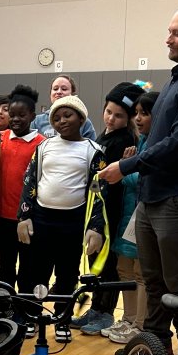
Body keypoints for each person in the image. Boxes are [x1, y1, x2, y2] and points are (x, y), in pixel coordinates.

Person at [98, 4, 178, 355]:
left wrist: (126, 166)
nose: (168, 39)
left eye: (176, 33)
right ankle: (154, 346)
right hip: (154, 197)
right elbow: (158, 140)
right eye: (169, 31)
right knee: (154, 282)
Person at [17, 95, 107, 343]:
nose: (61, 121)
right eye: (56, 118)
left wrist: (95, 226)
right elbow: (30, 182)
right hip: (42, 219)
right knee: (38, 272)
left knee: (67, 273)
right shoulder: (44, 147)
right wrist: (24, 216)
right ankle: (33, 316)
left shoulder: (93, 151)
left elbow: (98, 192)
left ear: (81, 118)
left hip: (73, 221)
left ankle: (62, 319)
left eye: (67, 115)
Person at [76, 81, 145, 336]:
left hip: (111, 212)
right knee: (96, 261)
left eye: (118, 115)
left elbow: (114, 180)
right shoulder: (103, 136)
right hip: (95, 209)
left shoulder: (125, 140)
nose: (111, 118)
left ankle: (106, 312)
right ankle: (96, 306)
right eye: (108, 112)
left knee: (108, 264)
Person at [103, 91, 158, 344]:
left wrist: (126, 170)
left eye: (144, 113)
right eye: (136, 113)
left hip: (142, 217)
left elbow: (146, 179)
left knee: (139, 272)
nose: (138, 118)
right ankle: (128, 318)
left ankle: (140, 324)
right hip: (127, 216)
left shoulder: (156, 144)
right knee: (123, 268)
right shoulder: (141, 141)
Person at [0, 85, 45, 291]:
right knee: (6, 268)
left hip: (29, 219)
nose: (16, 119)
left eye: (22, 115)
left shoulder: (42, 144)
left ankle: (25, 310)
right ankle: (6, 307)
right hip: (3, 219)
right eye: (12, 115)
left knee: (28, 268)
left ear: (32, 116)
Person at [31, 75, 98, 141]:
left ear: (72, 94)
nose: (59, 92)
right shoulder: (37, 121)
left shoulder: (83, 121)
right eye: (55, 89)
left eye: (64, 89)